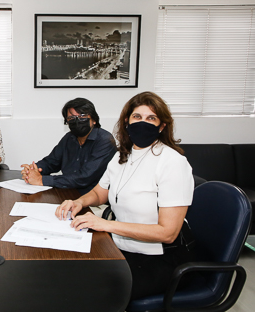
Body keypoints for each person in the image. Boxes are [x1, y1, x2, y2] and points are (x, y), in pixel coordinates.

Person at [55, 92, 195, 299]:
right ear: (127, 121)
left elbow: (167, 233)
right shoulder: (123, 155)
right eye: (137, 117)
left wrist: (105, 225)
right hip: (122, 246)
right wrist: (78, 202)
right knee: (65, 273)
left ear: (162, 126)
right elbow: (99, 193)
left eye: (151, 118)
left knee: (89, 292)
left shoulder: (173, 163)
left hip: (160, 259)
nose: (143, 123)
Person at [21, 98, 116, 195]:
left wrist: (42, 180)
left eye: (82, 116)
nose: (77, 121)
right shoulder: (69, 138)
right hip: (68, 193)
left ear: (94, 120)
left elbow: (84, 177)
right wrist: (33, 170)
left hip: (94, 200)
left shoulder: (105, 140)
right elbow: (51, 162)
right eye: (71, 118)